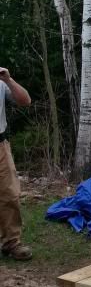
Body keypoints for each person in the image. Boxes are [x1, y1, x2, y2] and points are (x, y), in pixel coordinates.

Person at [0, 66, 32, 260]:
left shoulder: (2, 83)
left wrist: (8, 80)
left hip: (0, 145)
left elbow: (25, 101)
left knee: (10, 194)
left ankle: (12, 243)